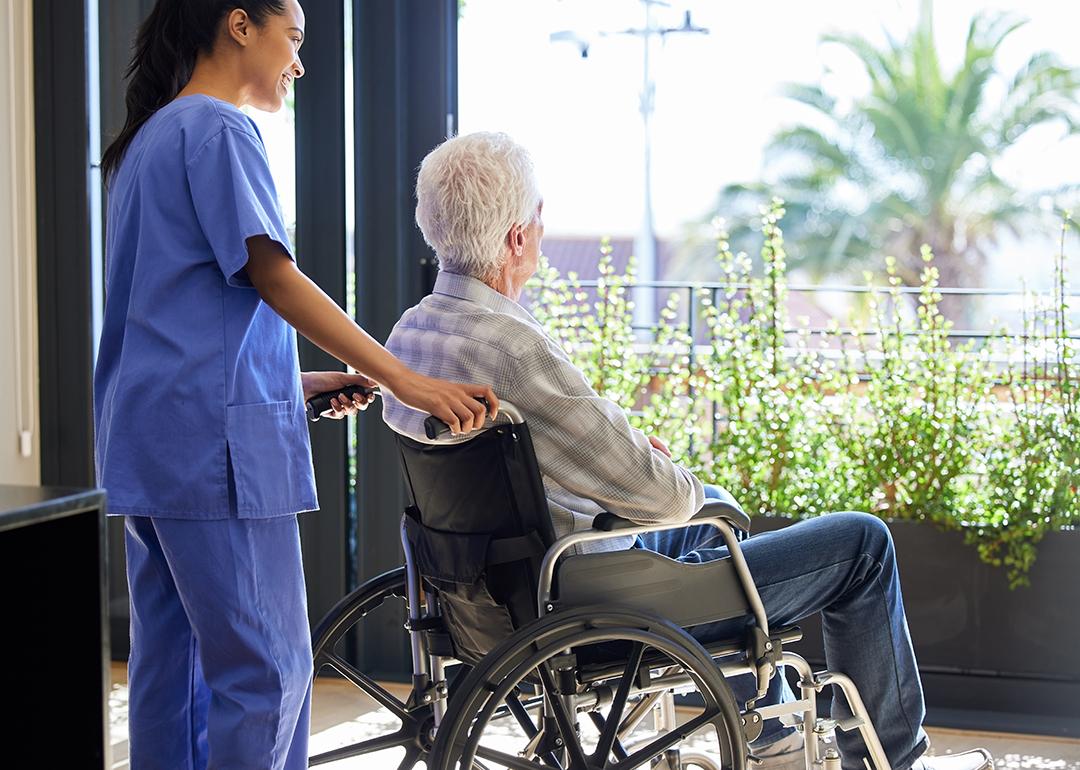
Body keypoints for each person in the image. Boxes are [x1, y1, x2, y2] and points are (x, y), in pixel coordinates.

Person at [380, 131, 994, 770]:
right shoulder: (512, 345)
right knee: (861, 543)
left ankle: (772, 727)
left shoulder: (411, 333)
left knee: (717, 512)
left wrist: (621, 463)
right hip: (580, 593)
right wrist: (648, 462)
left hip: (481, 587)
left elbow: (522, 461)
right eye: (537, 217)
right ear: (516, 240)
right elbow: (664, 495)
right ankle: (893, 759)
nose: (541, 229)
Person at [94, 2, 498, 768]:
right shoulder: (218, 130)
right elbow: (273, 277)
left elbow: (176, 319)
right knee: (268, 673)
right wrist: (404, 377)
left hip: (150, 445)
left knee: (171, 674)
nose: (300, 64)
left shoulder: (150, 141)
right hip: (213, 456)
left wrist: (295, 382)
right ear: (241, 25)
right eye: (295, 39)